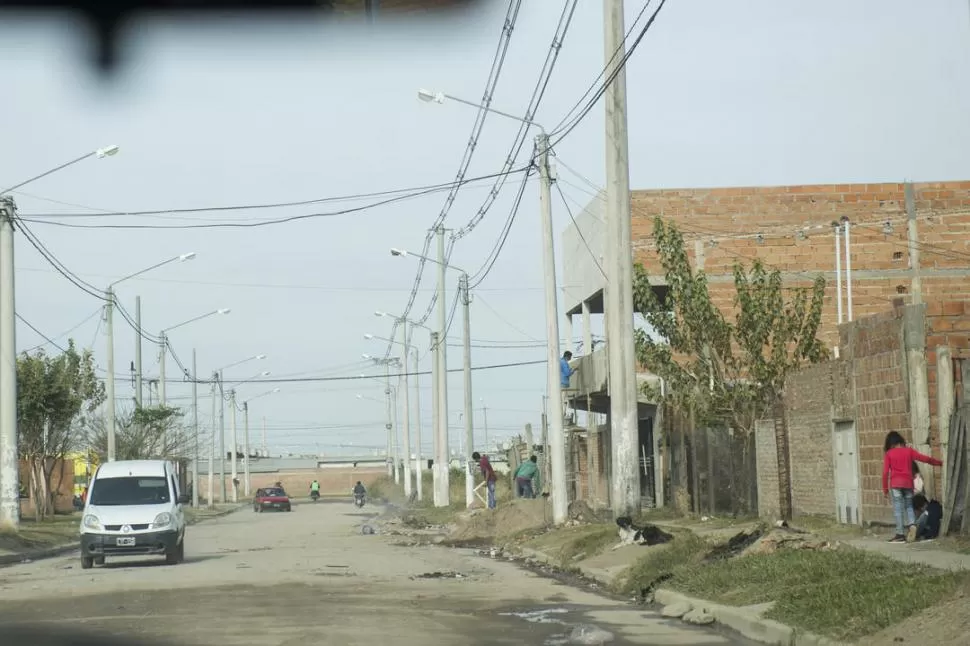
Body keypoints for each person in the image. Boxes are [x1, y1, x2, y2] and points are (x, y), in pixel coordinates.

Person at [882, 431, 942, 543]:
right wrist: (938, 462)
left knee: (898, 509)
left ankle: (899, 534)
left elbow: (885, 473)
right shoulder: (909, 451)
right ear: (901, 441)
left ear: (890, 444)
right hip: (908, 483)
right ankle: (912, 526)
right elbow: (924, 458)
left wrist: (885, 489)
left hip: (895, 484)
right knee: (909, 506)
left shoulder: (889, 454)